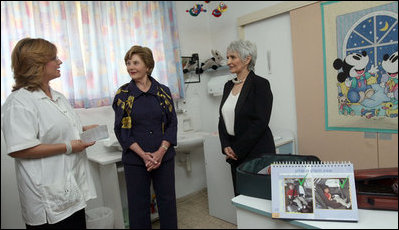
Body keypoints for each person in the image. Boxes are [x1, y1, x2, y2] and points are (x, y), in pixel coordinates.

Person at [1, 37, 98, 229]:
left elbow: (58, 131)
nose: (60, 62)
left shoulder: (58, 97)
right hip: (47, 199)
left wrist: (83, 131)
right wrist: (70, 146)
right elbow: (19, 149)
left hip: (71, 192)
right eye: (54, 58)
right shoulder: (19, 102)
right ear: (37, 65)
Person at [112, 45, 178, 229]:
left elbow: (172, 123)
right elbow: (122, 130)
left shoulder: (163, 92)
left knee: (167, 203)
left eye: (135, 63)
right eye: (128, 63)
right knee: (138, 206)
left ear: (147, 66)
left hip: (164, 158)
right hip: (135, 160)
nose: (130, 67)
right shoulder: (123, 95)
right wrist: (144, 155)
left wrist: (160, 152)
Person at [218, 40, 276, 196]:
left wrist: (237, 148)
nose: (228, 62)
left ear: (247, 59)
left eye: (232, 57)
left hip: (256, 152)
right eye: (227, 57)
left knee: (259, 197)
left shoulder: (260, 84)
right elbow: (222, 118)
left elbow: (260, 122)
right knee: (240, 196)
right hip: (234, 153)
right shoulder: (228, 86)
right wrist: (225, 145)